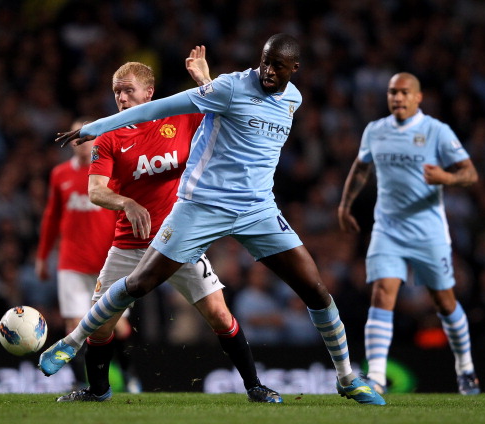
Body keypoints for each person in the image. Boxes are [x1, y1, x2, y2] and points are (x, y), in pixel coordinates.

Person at [42, 33, 386, 405]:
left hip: (258, 210)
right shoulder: (230, 86)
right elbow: (159, 109)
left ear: (294, 68)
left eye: (278, 66)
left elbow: (232, 112)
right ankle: (72, 343)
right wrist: (95, 127)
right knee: (138, 284)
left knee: (315, 290)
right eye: (265, 62)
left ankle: (346, 378)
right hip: (201, 207)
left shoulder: (293, 99)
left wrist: (205, 81)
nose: (269, 71)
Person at [52, 49, 282, 403]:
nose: (121, 98)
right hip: (128, 244)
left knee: (219, 315)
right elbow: (95, 191)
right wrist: (126, 202)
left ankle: (255, 386)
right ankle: (98, 391)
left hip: (179, 238)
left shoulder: (180, 118)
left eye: (128, 90)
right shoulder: (108, 137)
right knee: (100, 324)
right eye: (117, 91)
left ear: (149, 92)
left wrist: (204, 80)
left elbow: (227, 109)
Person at [337, 72, 480, 395]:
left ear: (418, 97)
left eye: (404, 92)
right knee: (382, 293)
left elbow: (470, 173)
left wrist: (447, 177)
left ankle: (465, 367)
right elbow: (361, 166)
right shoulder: (376, 130)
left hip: (428, 232)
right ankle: (376, 376)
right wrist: (345, 205)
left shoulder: (436, 131)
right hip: (387, 228)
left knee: (444, 302)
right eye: (392, 92)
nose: (397, 97)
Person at [35, 121, 130, 389]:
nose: (83, 144)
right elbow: (52, 217)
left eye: (88, 137)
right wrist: (42, 256)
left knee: (118, 326)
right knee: (75, 324)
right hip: (72, 262)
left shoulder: (113, 171)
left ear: (97, 140)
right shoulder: (60, 174)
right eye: (78, 138)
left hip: (108, 261)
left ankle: (130, 375)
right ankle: (80, 382)